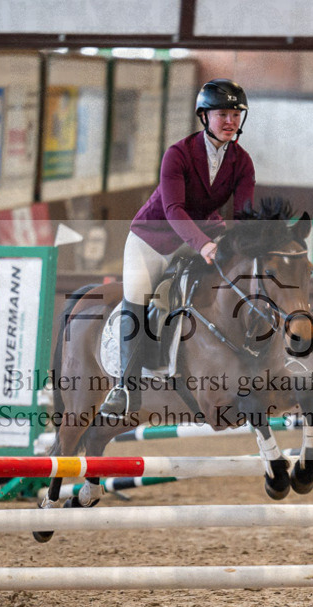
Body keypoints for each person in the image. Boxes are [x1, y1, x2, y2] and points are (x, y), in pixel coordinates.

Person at [100, 78, 255, 417]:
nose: (230, 122)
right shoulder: (178, 154)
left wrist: (243, 246)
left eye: (236, 114)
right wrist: (202, 244)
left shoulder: (242, 162)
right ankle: (124, 388)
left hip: (204, 236)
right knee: (139, 296)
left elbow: (243, 216)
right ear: (204, 117)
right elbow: (174, 210)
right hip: (153, 239)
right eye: (223, 114)